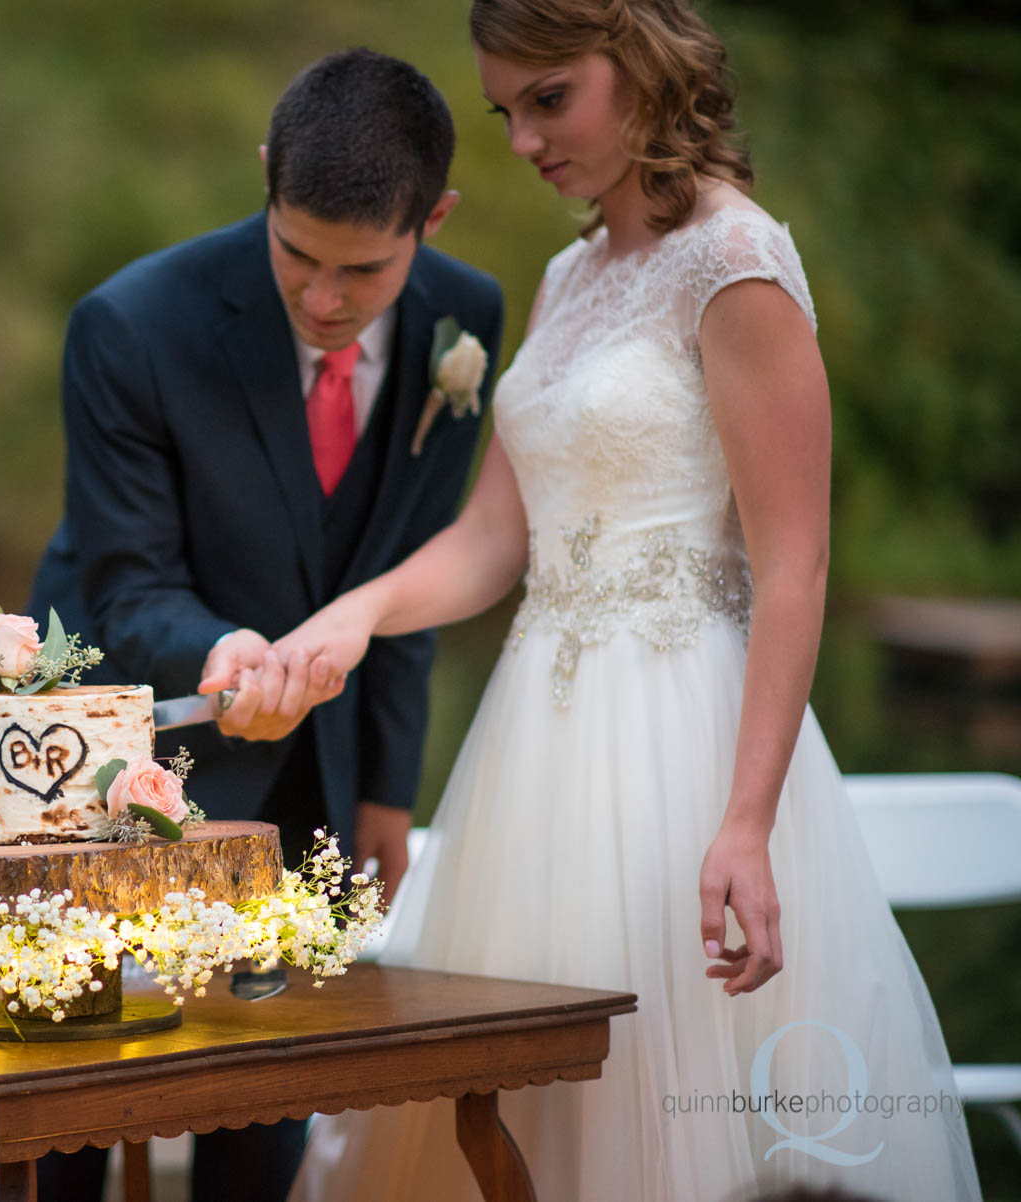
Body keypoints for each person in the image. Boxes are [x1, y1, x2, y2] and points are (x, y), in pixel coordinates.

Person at [266, 3, 983, 1199]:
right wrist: (353, 613)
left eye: (550, 99)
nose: (521, 140)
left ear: (643, 68)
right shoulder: (569, 274)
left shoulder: (738, 262)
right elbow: (499, 536)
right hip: (534, 753)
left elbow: (795, 564)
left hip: (684, 749)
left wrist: (747, 820)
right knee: (494, 1114)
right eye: (506, 111)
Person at [0, 48, 504, 1202]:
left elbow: (402, 576)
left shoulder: (466, 325)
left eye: (363, 269)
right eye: (296, 251)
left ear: (436, 219)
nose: (323, 297)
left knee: (259, 1114)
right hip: (92, 744)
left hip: (311, 762)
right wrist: (224, 652)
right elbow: (126, 581)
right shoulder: (129, 325)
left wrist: (384, 793)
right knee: (51, 1122)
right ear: (266, 177)